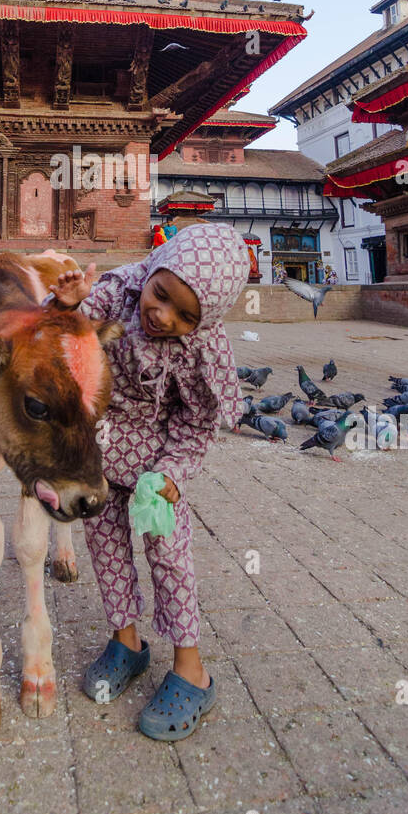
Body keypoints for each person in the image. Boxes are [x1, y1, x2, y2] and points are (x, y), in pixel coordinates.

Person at [49, 223, 249, 741]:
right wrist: (73, 305)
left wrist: (173, 476)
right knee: (107, 550)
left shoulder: (197, 351)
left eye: (185, 315)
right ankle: (127, 644)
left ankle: (191, 669)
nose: (163, 316)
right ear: (153, 270)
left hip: (155, 472)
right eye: (161, 296)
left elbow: (196, 424)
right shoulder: (122, 291)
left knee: (168, 558)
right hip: (101, 451)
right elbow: (80, 328)